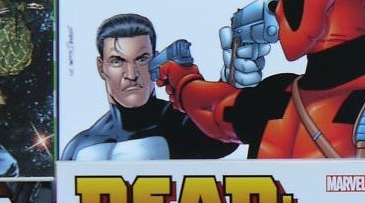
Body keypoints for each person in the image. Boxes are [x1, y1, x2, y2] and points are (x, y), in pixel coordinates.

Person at [61, 12, 235, 160]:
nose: (131, 74)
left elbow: (225, 130)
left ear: (156, 61)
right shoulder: (79, 146)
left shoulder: (183, 126)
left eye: (142, 59)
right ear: (101, 67)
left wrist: (232, 87)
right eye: (117, 61)